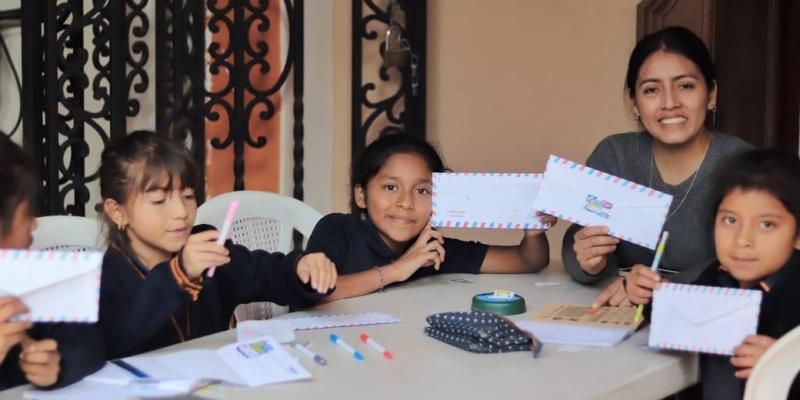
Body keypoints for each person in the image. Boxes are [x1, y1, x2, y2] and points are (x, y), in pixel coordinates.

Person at [97, 131, 338, 358]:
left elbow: (267, 273)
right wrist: (179, 274)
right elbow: (117, 340)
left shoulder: (208, 247)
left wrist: (301, 268)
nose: (181, 212)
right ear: (118, 212)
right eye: (159, 201)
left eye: (188, 196)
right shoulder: (104, 278)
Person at [562, 26, 751, 308]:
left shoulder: (744, 166)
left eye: (685, 86)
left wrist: (662, 289)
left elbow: (759, 266)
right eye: (651, 90)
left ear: (711, 94)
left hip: (707, 319)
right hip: (620, 318)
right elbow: (576, 243)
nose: (670, 103)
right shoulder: (615, 155)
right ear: (634, 104)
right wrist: (590, 263)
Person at [628, 149, 800, 399]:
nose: (742, 240)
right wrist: (650, 294)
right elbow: (681, 321)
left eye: (767, 224)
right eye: (730, 220)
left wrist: (784, 365)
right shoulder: (716, 276)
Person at [305, 133, 555, 302]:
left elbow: (528, 261)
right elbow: (313, 291)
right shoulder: (338, 229)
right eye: (391, 187)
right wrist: (398, 270)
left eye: (422, 191)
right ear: (361, 195)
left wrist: (533, 233)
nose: (405, 202)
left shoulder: (433, 251)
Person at [0, 134, 104, 389]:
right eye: (27, 213)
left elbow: (87, 343)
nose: (34, 224)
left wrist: (58, 364)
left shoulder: (29, 274)